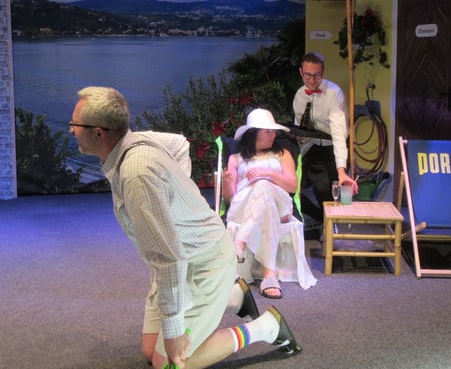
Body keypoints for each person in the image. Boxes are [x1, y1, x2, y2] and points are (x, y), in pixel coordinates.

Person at [70, 86, 301, 369]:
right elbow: (180, 144)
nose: (71, 130)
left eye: (75, 124)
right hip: (185, 258)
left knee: (169, 363)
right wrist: (178, 204)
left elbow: (169, 257)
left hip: (204, 264)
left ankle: (266, 327)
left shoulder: (136, 173)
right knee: (150, 351)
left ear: (98, 133)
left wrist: (174, 330)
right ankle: (234, 297)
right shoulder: (134, 141)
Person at [221, 109, 317, 300]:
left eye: (274, 132)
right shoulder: (235, 159)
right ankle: (269, 275)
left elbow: (292, 185)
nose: (273, 135)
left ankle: (239, 243)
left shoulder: (282, 154)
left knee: (263, 185)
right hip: (245, 206)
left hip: (279, 203)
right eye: (268, 131)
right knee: (264, 200)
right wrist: (227, 182)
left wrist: (266, 174)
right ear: (253, 133)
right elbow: (231, 197)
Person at [293, 52, 358, 224]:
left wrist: (341, 171)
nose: (312, 80)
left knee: (328, 190)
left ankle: (337, 225)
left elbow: (338, 134)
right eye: (308, 75)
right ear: (301, 72)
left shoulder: (334, 93)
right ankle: (322, 219)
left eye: (317, 75)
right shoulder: (300, 95)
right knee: (291, 187)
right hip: (311, 145)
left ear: (323, 72)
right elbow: (300, 127)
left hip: (333, 146)